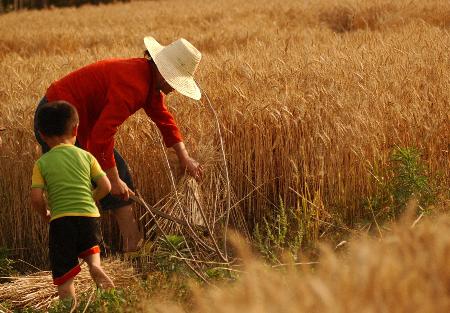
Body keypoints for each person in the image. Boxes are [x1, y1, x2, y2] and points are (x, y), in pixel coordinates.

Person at [34, 36, 204, 252]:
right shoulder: (134, 84)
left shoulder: (147, 78)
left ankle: (132, 246)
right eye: (175, 80)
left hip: (77, 124)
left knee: (118, 172)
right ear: (162, 71)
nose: (176, 88)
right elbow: (101, 137)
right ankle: (70, 259)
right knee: (75, 188)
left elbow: (164, 119)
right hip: (55, 120)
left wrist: (184, 156)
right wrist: (112, 181)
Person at [31, 101, 115, 302]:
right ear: (76, 128)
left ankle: (68, 305)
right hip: (88, 216)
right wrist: (89, 199)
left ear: (41, 135)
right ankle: (95, 267)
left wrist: (46, 214)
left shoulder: (42, 163)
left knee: (64, 276)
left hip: (61, 220)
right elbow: (106, 187)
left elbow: (35, 197)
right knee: (91, 251)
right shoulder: (86, 156)